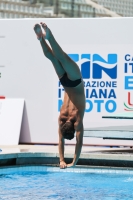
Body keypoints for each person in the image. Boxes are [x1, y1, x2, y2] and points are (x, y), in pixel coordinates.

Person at [34, 22, 85, 169]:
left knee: (61, 57)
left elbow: (79, 143)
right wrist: (62, 160)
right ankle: (41, 38)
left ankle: (48, 36)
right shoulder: (61, 119)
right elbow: (61, 140)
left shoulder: (77, 120)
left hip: (75, 82)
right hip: (65, 82)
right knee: (53, 57)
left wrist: (73, 162)